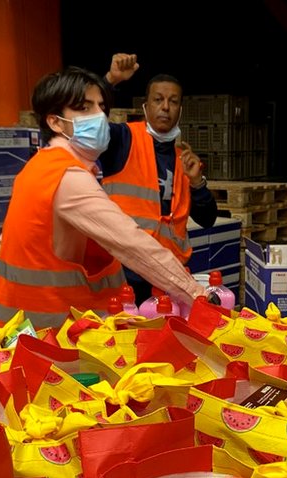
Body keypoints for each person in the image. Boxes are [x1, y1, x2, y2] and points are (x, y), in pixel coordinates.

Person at [0, 67, 206, 328]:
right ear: (55, 122)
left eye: (101, 107)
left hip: (17, 325)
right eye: (84, 108)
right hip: (49, 333)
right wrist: (199, 296)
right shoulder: (68, 177)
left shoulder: (39, 167)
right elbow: (132, 244)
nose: (99, 116)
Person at [101, 54, 218, 301]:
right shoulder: (123, 140)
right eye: (158, 100)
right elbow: (89, 122)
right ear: (145, 106)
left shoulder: (183, 159)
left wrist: (197, 183)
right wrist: (111, 80)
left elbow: (207, 219)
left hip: (169, 279)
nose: (165, 107)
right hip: (125, 278)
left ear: (180, 110)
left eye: (173, 101)